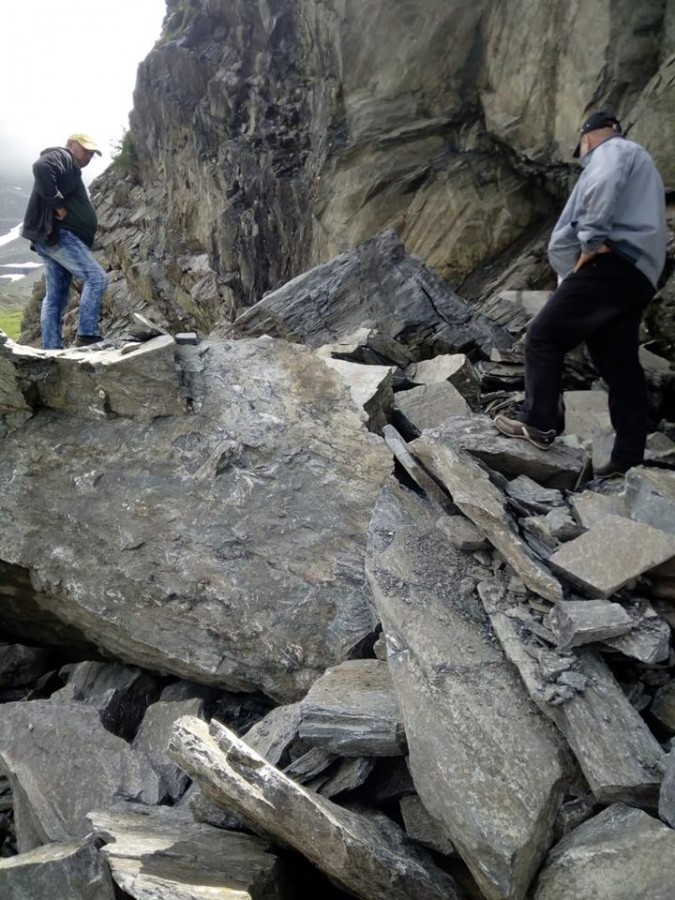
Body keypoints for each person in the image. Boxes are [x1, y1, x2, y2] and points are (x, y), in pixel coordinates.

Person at [494, 110, 667, 477]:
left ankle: (538, 422)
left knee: (542, 337)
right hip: (639, 273)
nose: (584, 156)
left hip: (610, 262)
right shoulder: (641, 163)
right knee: (618, 365)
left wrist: (591, 241)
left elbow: (602, 181)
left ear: (587, 139)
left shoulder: (612, 150)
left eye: (582, 150)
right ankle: (628, 458)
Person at [22, 134, 108, 349]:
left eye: (92, 154)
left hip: (52, 239)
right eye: (85, 150)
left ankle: (52, 350)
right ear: (71, 145)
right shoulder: (63, 155)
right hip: (61, 235)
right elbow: (41, 167)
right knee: (96, 278)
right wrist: (57, 204)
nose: (88, 156)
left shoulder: (70, 169)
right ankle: (87, 334)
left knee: (56, 297)